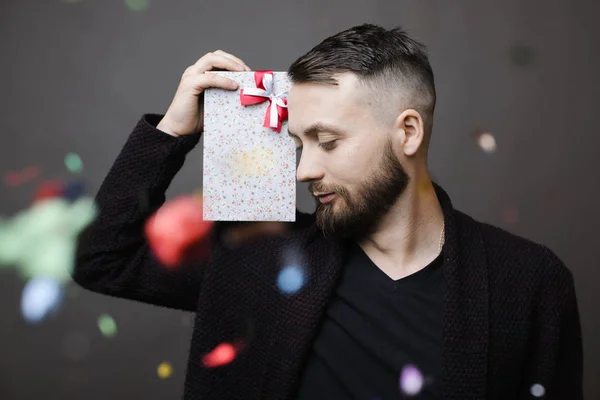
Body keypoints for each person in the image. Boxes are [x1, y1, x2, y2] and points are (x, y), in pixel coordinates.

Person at [73, 23, 583, 400]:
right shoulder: (258, 256)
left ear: (408, 132)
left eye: (328, 142)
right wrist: (172, 132)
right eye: (297, 143)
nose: (303, 170)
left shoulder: (529, 280)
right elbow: (102, 259)